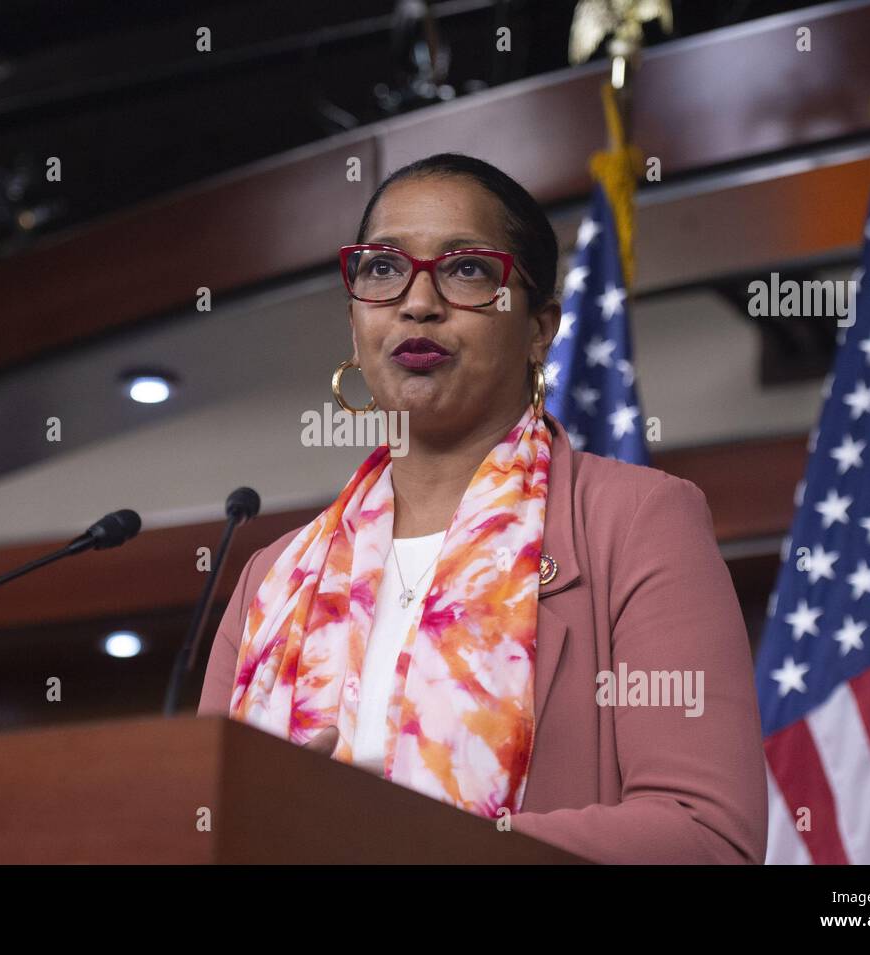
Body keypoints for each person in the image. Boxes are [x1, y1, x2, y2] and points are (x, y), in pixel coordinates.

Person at [198, 152, 767, 864]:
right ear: (354, 324)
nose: (417, 300)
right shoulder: (268, 579)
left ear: (539, 329)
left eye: (467, 268)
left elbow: (706, 836)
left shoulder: (637, 523)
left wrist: (402, 846)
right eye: (382, 268)